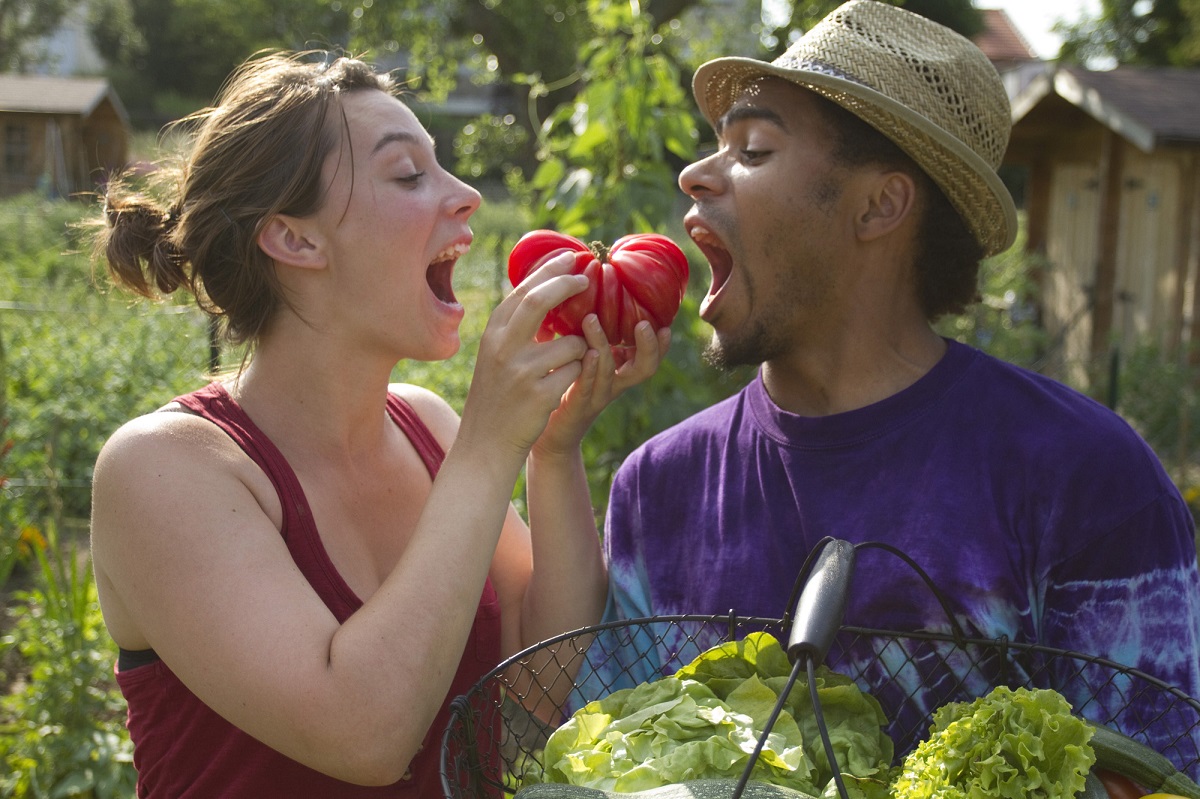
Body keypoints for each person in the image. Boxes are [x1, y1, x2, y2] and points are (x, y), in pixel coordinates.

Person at [578, 0, 1200, 777]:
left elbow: (1156, 777)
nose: (696, 174)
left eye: (755, 149)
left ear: (880, 204)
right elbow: (604, 774)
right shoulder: (657, 491)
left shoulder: (1085, 478)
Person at [88, 50, 670, 797]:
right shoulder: (163, 469)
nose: (465, 197)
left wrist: (552, 449)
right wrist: (490, 446)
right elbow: (366, 737)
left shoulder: (427, 427)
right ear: (295, 239)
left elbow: (543, 677)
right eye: (408, 175)